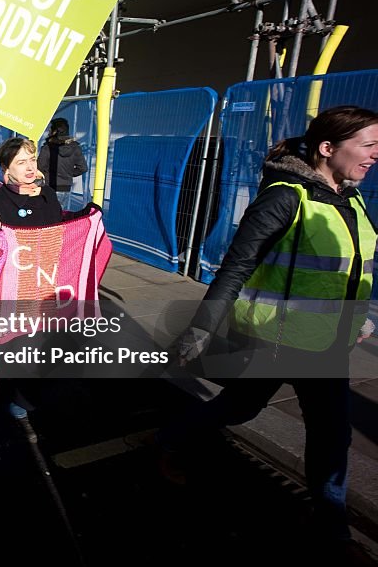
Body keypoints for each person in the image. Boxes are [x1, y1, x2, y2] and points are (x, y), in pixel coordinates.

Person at [164, 106, 378, 550]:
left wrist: (360, 317)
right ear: (327, 148)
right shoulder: (285, 197)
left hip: (327, 344)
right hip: (276, 341)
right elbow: (236, 267)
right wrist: (200, 330)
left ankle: (329, 521)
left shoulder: (350, 198)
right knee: (242, 409)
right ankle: (174, 439)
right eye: (368, 144)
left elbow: (350, 268)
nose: (376, 154)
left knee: (329, 433)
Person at [0, 137, 62, 436]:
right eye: (21, 162)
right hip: (11, 289)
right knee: (11, 344)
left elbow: (59, 235)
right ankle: (5, 394)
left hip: (43, 283)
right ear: (6, 171)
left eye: (31, 159)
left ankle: (25, 396)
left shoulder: (48, 196)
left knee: (39, 345)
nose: (29, 167)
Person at [38, 118, 87, 211]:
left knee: (46, 214)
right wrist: (68, 173)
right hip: (65, 187)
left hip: (49, 186)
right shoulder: (75, 147)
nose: (49, 131)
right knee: (60, 213)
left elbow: (39, 168)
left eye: (50, 129)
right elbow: (83, 168)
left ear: (55, 131)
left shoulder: (47, 148)